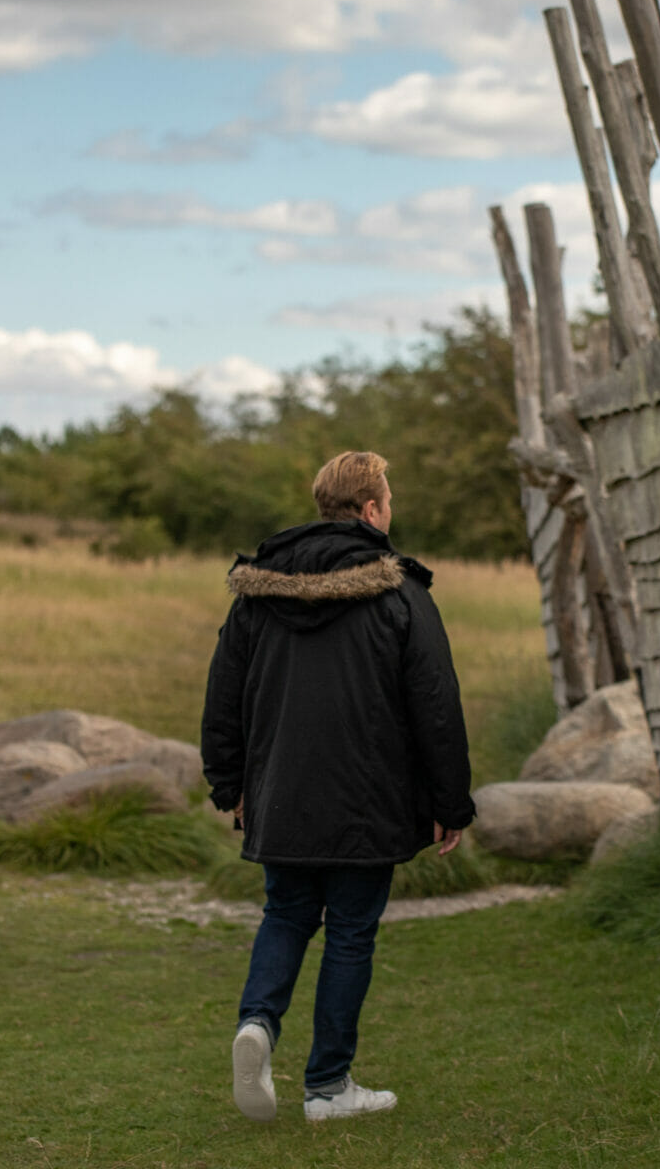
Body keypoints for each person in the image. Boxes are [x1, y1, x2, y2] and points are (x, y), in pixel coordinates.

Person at [199, 451, 476, 1123]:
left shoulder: (256, 592)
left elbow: (223, 695)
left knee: (287, 913)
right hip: (369, 800)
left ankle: (258, 1026)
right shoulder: (402, 593)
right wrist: (451, 804)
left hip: (281, 794)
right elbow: (435, 704)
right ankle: (327, 1088)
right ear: (372, 509)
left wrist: (228, 784)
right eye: (390, 498)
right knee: (350, 932)